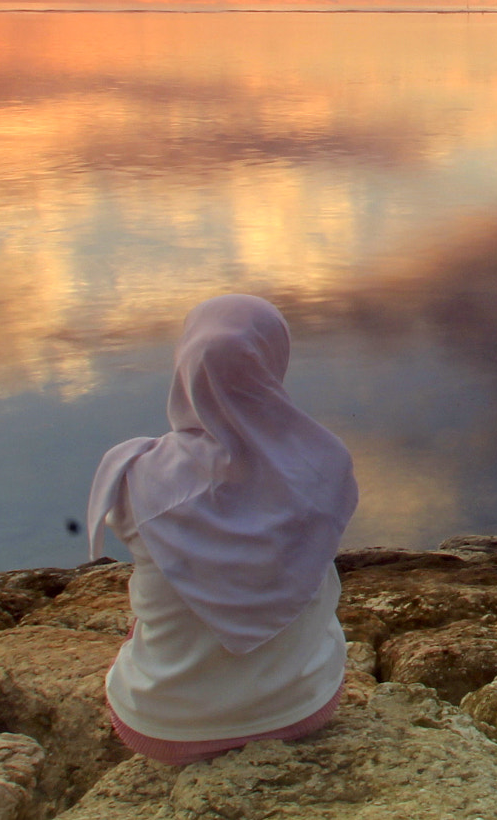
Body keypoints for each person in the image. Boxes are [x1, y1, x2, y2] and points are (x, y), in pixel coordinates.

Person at [85, 295, 359, 765]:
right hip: (300, 708)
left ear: (185, 363)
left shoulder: (135, 474)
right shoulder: (323, 464)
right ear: (274, 361)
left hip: (161, 723)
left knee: (148, 613)